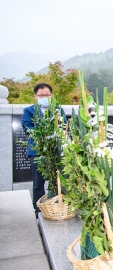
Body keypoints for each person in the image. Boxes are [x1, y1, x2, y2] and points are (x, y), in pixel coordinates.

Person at [22, 83, 55, 211]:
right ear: (35, 96)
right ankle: (38, 211)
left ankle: (54, 208)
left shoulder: (57, 109)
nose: (44, 97)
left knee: (55, 182)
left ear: (51, 95)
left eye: (47, 95)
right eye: (41, 95)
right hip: (36, 152)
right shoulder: (29, 111)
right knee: (38, 183)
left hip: (53, 151)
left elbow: (63, 124)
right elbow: (27, 128)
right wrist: (43, 133)